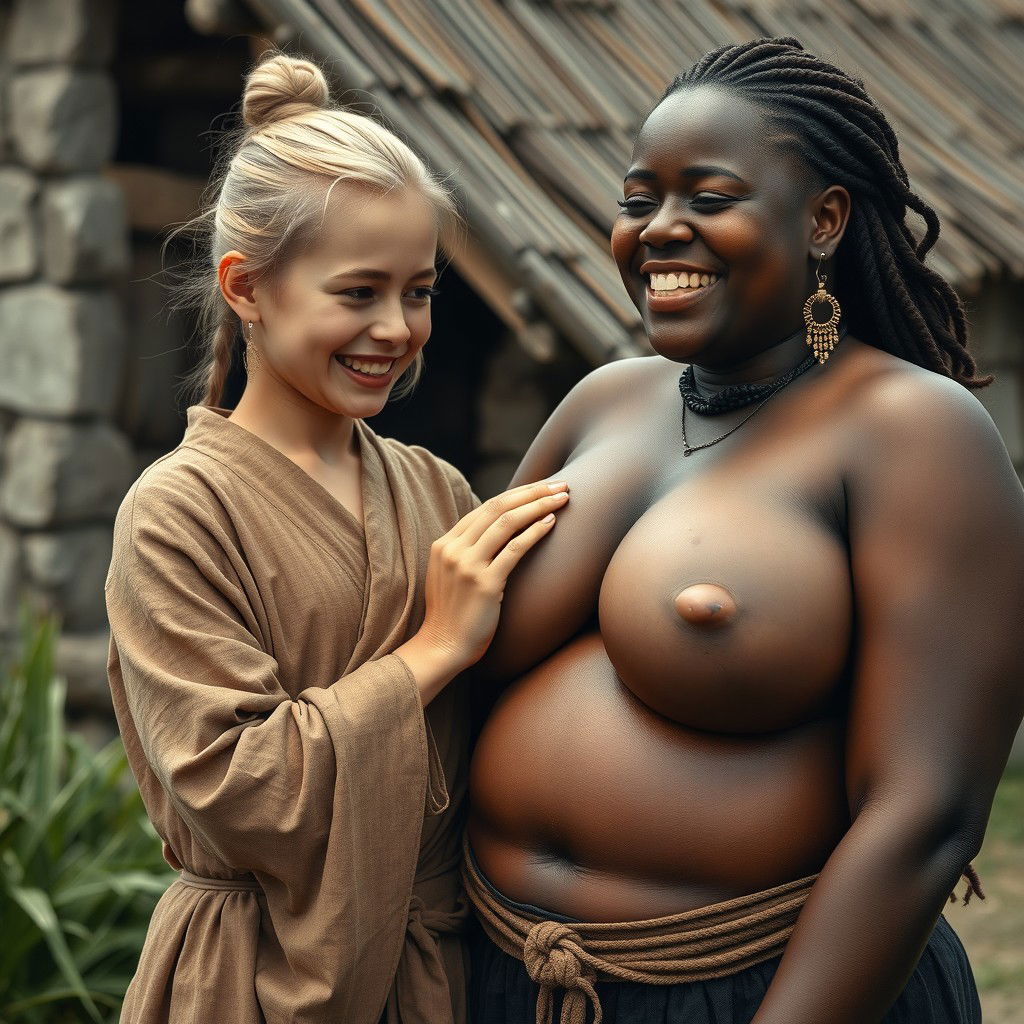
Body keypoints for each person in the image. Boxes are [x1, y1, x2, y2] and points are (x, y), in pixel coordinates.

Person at [464, 36, 1024, 1024]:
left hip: (751, 992)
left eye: (708, 199)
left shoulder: (909, 432)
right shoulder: (601, 403)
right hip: (499, 978)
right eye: (639, 201)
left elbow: (925, 816)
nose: (659, 231)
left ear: (822, 220)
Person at [104, 53, 570, 1024]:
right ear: (246, 287)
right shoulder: (178, 511)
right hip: (250, 976)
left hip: (432, 977)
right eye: (358, 292)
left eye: (421, 291)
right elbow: (236, 787)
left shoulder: (434, 489)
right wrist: (431, 652)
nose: (397, 328)